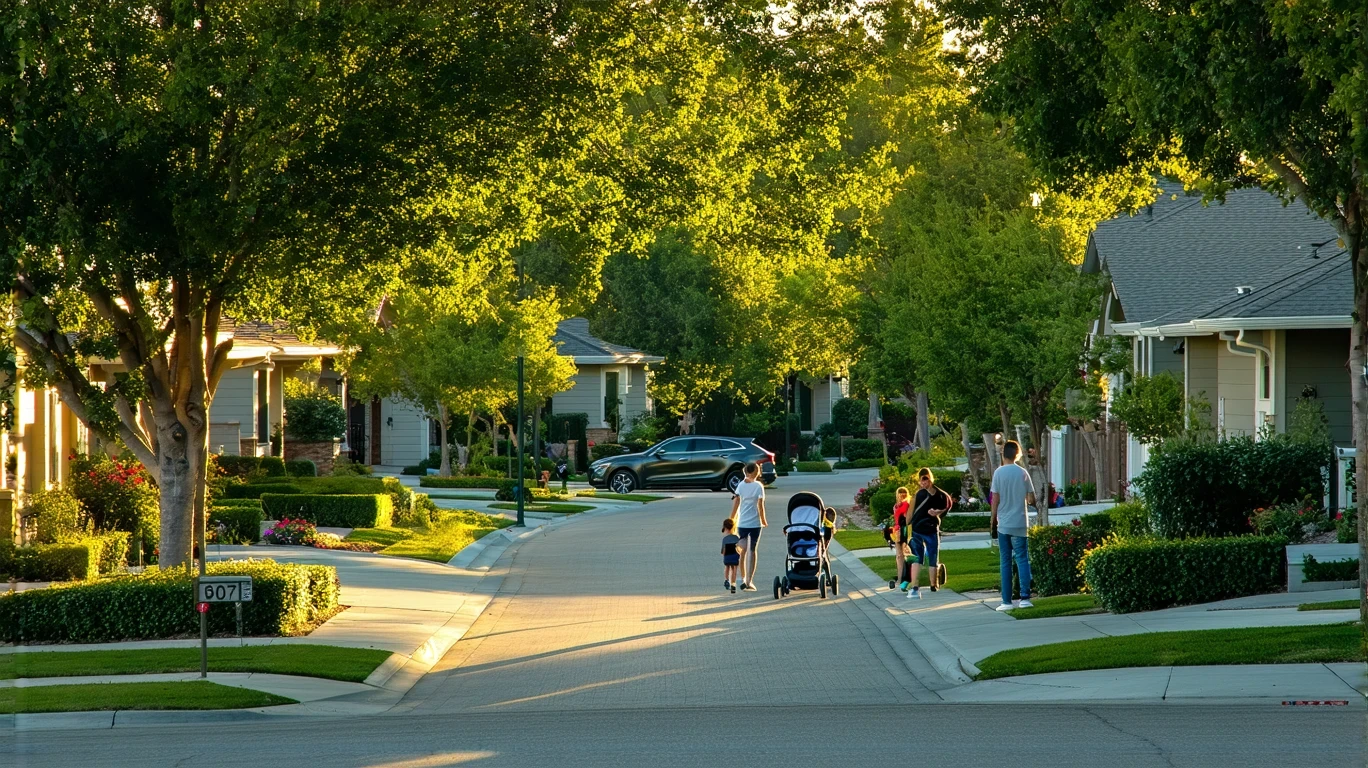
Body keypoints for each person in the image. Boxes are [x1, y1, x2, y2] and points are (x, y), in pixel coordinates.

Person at [990, 440, 1036, 611]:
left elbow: (995, 498)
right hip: (1020, 523)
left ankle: (1006, 601)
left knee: (1005, 561)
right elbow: (1031, 499)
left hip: (1004, 524)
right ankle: (1025, 597)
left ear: (1004, 454)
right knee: (1022, 559)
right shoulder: (1023, 473)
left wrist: (993, 520)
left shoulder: (998, 473)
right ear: (1017, 454)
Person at [907, 467, 953, 599]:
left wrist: (937, 513)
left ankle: (933, 584)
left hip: (930, 529)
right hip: (919, 530)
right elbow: (910, 514)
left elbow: (946, 506)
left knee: (931, 557)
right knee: (919, 557)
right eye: (922, 480)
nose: (923, 483)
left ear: (930, 479)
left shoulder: (939, 495)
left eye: (925, 479)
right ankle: (917, 585)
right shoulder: (920, 495)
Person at [729, 462, 768, 591]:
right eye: (757, 471)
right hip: (755, 523)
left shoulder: (740, 486)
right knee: (752, 550)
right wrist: (763, 520)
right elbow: (760, 505)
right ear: (753, 472)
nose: (758, 474)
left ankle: (743, 577)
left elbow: (736, 503)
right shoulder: (758, 486)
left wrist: (732, 518)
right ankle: (749, 581)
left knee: (743, 551)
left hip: (742, 523)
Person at [892, 487, 911, 591]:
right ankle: (900, 578)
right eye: (900, 493)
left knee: (905, 554)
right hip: (897, 530)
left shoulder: (907, 504)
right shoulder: (896, 506)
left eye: (904, 492)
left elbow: (906, 517)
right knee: (899, 556)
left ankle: (905, 578)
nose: (902, 494)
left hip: (905, 530)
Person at [721, 518, 741, 593]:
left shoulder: (725, 539)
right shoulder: (736, 537)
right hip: (735, 556)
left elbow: (723, 551)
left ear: (725, 528)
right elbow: (739, 548)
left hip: (727, 556)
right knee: (734, 568)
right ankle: (733, 583)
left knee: (727, 567)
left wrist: (724, 554)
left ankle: (726, 580)